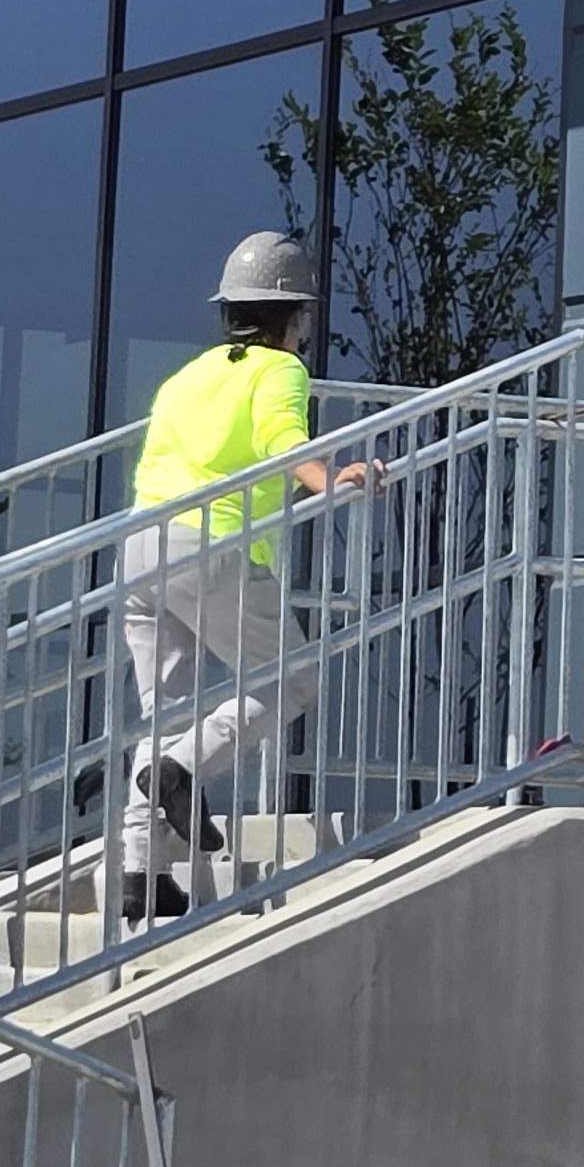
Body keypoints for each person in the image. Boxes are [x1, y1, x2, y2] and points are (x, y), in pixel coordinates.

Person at [115, 230, 370, 921]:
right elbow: (281, 437)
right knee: (292, 678)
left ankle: (141, 870)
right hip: (212, 543)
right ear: (295, 317)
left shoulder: (190, 376)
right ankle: (183, 770)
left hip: (141, 545)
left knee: (164, 711)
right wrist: (329, 480)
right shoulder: (278, 370)